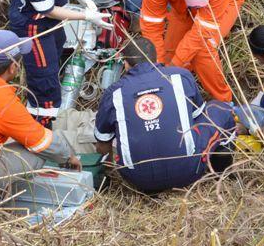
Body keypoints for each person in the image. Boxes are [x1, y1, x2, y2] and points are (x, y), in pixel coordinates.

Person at [0, 30, 81, 207]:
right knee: (35, 154)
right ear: (12, 67)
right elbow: (41, 142)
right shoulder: (3, 101)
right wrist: (69, 156)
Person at [94, 37, 236, 193]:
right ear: (156, 58)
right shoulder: (181, 76)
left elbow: (103, 144)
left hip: (138, 179)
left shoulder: (113, 93)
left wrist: (109, 176)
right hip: (189, 170)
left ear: (125, 63)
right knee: (221, 109)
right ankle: (222, 173)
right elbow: (199, 117)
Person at [139, 0, 248, 102]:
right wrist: (159, 69)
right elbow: (151, 28)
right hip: (182, 8)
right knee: (169, 54)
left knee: (203, 49)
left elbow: (202, 33)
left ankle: (225, 102)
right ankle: (176, 91)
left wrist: (175, 65)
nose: (198, 2)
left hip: (224, 1)